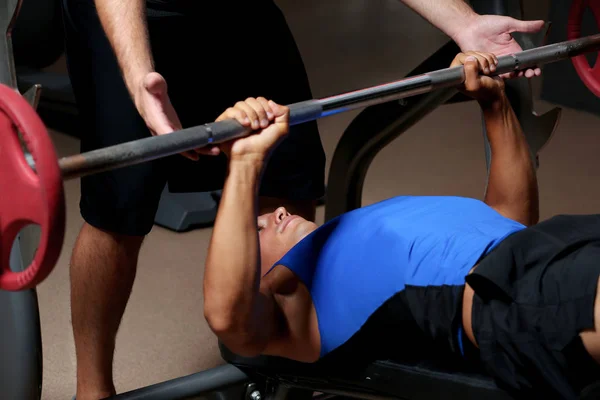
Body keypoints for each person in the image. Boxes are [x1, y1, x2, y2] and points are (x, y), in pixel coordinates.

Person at [61, 0, 547, 397]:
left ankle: (291, 345)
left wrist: (464, 25)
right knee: (118, 207)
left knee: (294, 179)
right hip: (132, 14)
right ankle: (92, 389)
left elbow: (511, 219)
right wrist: (139, 77)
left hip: (237, 12)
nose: (269, 216)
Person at [203, 52, 600, 400]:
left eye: (269, 213)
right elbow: (227, 318)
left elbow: (507, 217)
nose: (278, 213)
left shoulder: (346, 235)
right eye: (260, 229)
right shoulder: (294, 304)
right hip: (514, 292)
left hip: (546, 246)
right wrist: (246, 161)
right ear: (257, 276)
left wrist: (493, 102)